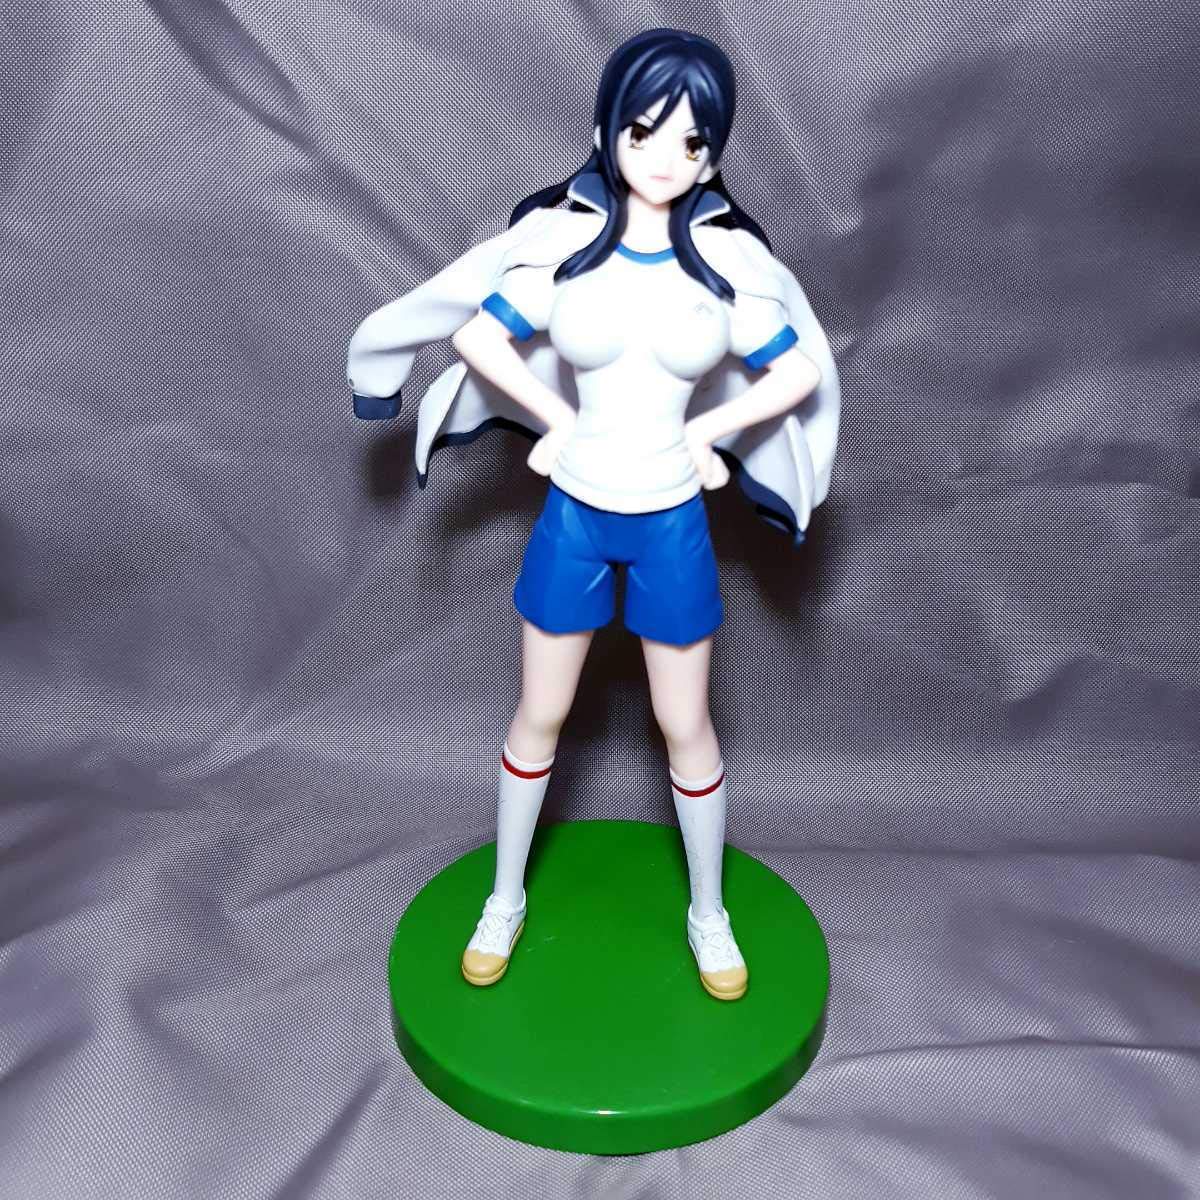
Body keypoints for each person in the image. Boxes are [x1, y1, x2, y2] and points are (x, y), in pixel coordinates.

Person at [346, 28, 841, 1001]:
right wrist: (556, 417)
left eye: (690, 141)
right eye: (644, 131)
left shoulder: (722, 270)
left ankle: (709, 913)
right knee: (541, 712)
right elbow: (478, 337)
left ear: (713, 157)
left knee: (686, 723)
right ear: (608, 129)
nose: (663, 157)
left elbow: (797, 370)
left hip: (669, 521)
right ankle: (504, 899)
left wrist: (713, 432)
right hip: (577, 512)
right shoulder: (566, 254)